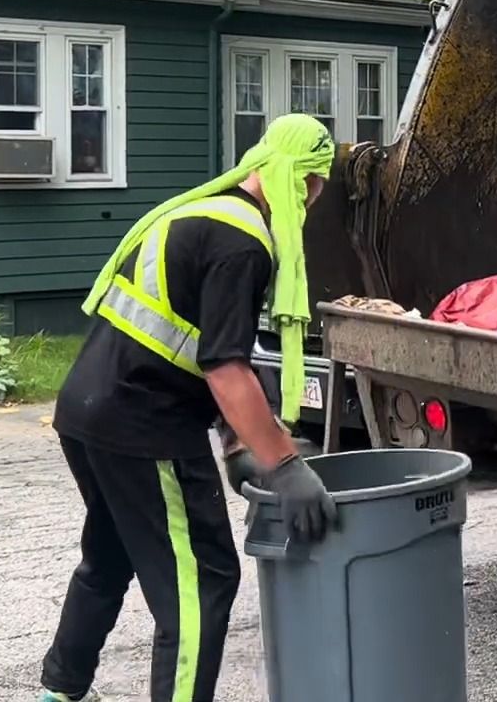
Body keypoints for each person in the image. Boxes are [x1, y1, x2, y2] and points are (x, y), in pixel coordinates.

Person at [38, 114, 341, 702]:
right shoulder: (244, 243)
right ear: (307, 184)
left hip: (86, 409)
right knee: (202, 587)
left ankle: (60, 691)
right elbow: (225, 367)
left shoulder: (198, 213)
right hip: (144, 427)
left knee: (109, 553)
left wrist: (236, 439)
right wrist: (285, 464)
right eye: (318, 187)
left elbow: (190, 338)